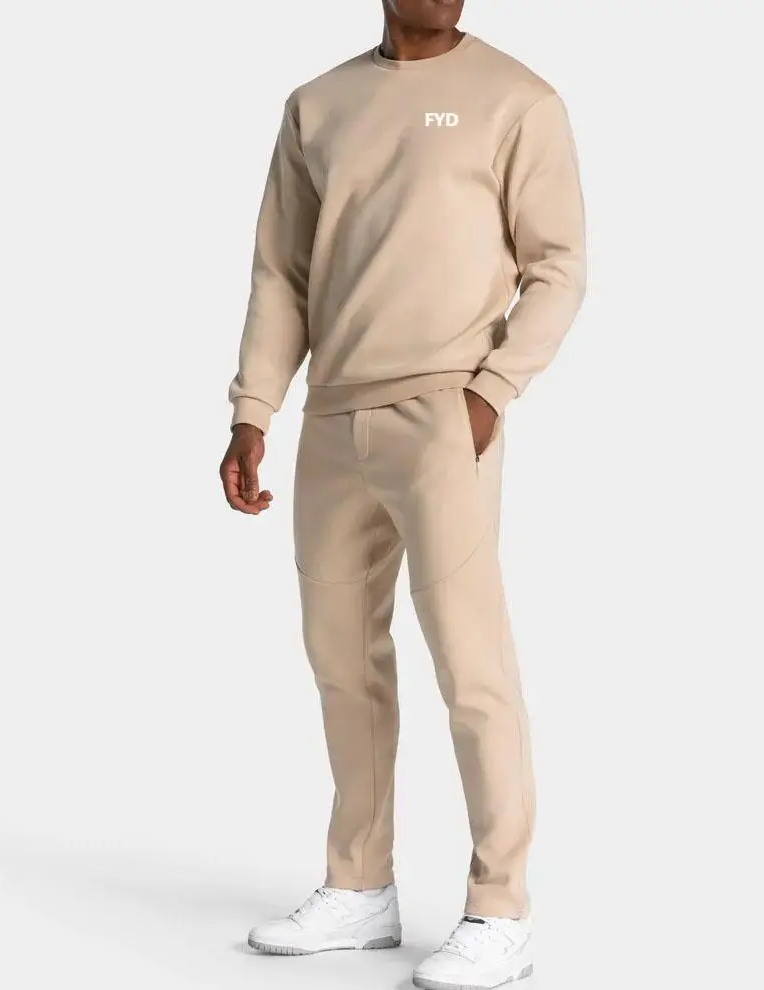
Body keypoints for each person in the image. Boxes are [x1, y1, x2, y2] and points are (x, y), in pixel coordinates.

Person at [219, 1, 586, 985]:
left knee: (470, 664)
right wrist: (254, 410)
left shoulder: (517, 100)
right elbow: (281, 273)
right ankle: (359, 887)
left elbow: (558, 267)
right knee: (342, 661)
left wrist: (490, 393)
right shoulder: (317, 104)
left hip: (443, 414)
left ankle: (499, 906)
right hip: (332, 416)